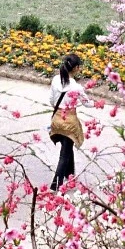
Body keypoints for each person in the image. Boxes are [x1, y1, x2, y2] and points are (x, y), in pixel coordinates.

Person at [48, 53, 86, 190]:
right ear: (76, 68)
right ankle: (56, 184)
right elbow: (87, 103)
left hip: (57, 120)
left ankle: (70, 175)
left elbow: (52, 101)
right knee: (64, 153)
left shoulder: (56, 80)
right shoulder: (77, 87)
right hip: (69, 122)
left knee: (67, 146)